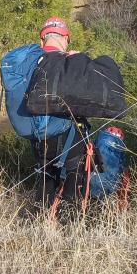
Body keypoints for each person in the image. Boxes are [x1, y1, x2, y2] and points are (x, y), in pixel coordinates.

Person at [31, 18, 90, 208]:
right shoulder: (71, 61)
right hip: (69, 135)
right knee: (72, 182)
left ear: (42, 41)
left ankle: (40, 219)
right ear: (65, 38)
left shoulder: (33, 62)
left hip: (40, 136)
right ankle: (69, 220)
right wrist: (80, 62)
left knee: (45, 179)